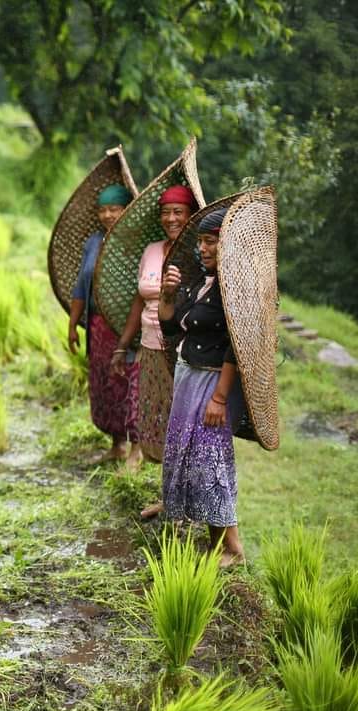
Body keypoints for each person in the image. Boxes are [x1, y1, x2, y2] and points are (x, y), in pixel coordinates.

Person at [158, 207, 244, 567]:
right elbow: (172, 329)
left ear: (228, 245)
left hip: (212, 382)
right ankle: (214, 541)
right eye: (201, 242)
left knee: (212, 463)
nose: (203, 249)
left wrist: (220, 398)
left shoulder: (233, 289)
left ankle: (233, 549)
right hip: (189, 377)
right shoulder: (201, 283)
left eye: (211, 242)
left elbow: (236, 346)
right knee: (189, 455)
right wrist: (167, 295)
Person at [109, 185, 195, 517]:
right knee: (156, 422)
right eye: (166, 212)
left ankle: (183, 503)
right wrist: (122, 346)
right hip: (149, 347)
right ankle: (168, 496)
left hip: (182, 352)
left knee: (181, 424)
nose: (171, 218)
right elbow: (138, 301)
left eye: (178, 212)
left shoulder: (196, 254)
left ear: (190, 215)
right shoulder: (152, 251)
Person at [68, 184, 142, 468]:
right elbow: (80, 287)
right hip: (98, 327)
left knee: (128, 382)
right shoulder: (93, 243)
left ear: (126, 210)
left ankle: (137, 447)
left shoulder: (135, 245)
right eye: (103, 210)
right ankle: (117, 445)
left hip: (127, 327)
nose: (108, 215)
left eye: (114, 209)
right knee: (104, 383)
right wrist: (74, 325)